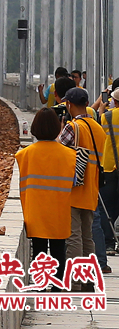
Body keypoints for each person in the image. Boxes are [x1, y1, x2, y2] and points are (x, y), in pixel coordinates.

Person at [15, 107, 76, 287]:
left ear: (35, 128)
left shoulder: (23, 154)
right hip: (59, 210)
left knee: (39, 250)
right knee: (58, 250)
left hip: (35, 211)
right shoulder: (70, 155)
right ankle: (57, 285)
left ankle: (40, 283)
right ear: (57, 128)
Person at [58, 87, 107, 288]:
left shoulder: (73, 127)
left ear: (69, 104)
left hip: (73, 188)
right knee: (88, 238)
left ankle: (74, 282)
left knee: (73, 238)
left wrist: (61, 127)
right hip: (91, 189)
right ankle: (88, 281)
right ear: (87, 104)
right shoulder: (97, 127)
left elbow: (58, 151)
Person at [96, 88, 119, 265]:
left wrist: (102, 107)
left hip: (110, 166)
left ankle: (109, 243)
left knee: (107, 208)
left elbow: (98, 123)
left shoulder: (107, 117)